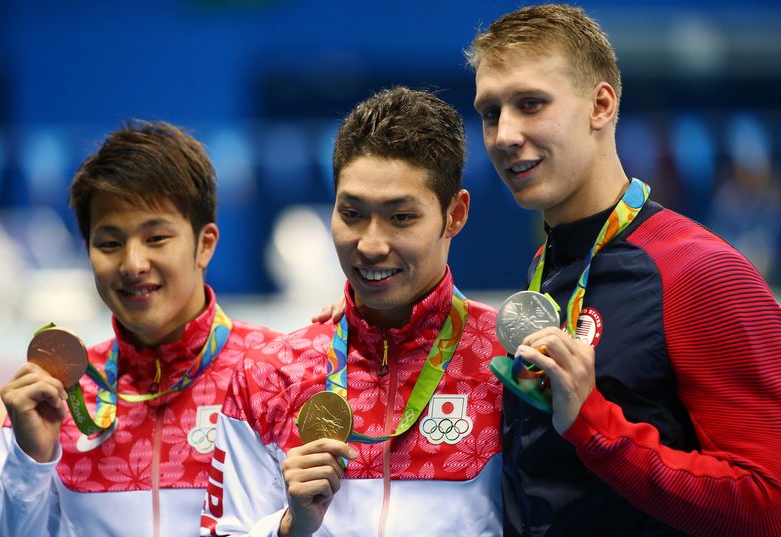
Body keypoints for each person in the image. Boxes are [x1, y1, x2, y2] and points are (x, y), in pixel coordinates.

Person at [466, 4, 781, 536]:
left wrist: (596, 428)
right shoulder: (551, 266)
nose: (503, 135)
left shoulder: (700, 274)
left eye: (531, 104)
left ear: (601, 105)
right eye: (491, 112)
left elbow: (769, 502)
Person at [200, 87, 505, 536]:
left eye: (401, 217)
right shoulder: (270, 377)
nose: (371, 245)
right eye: (353, 213)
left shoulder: (505, 365)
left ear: (454, 215)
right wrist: (289, 527)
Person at [0, 120, 279, 536]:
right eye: (109, 243)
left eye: (156, 238)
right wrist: (31, 460)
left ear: (205, 244)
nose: (133, 264)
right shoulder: (57, 392)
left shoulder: (279, 373)